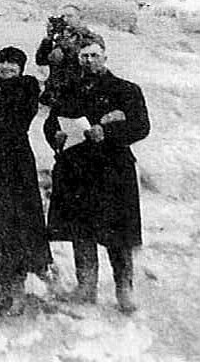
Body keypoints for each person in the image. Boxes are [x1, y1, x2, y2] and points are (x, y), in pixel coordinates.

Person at [43, 35, 150, 313]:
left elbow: (141, 126)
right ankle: (86, 287)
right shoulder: (69, 90)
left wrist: (108, 132)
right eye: (84, 56)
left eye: (94, 55)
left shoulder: (126, 90)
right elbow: (51, 122)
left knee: (118, 234)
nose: (89, 61)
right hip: (77, 171)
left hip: (113, 172)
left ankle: (124, 289)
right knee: (81, 232)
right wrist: (56, 136)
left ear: (105, 56)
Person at [0, 46, 53, 314]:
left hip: (14, 163)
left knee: (16, 220)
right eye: (2, 62)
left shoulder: (26, 87)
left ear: (21, 69)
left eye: (12, 64)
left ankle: (16, 287)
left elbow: (9, 118)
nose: (6, 67)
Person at [35, 4, 95, 105]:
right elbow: (41, 61)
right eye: (63, 17)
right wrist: (48, 38)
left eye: (70, 16)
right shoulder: (60, 38)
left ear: (80, 18)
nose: (66, 20)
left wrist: (64, 43)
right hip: (54, 93)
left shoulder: (91, 38)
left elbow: (85, 61)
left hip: (78, 93)